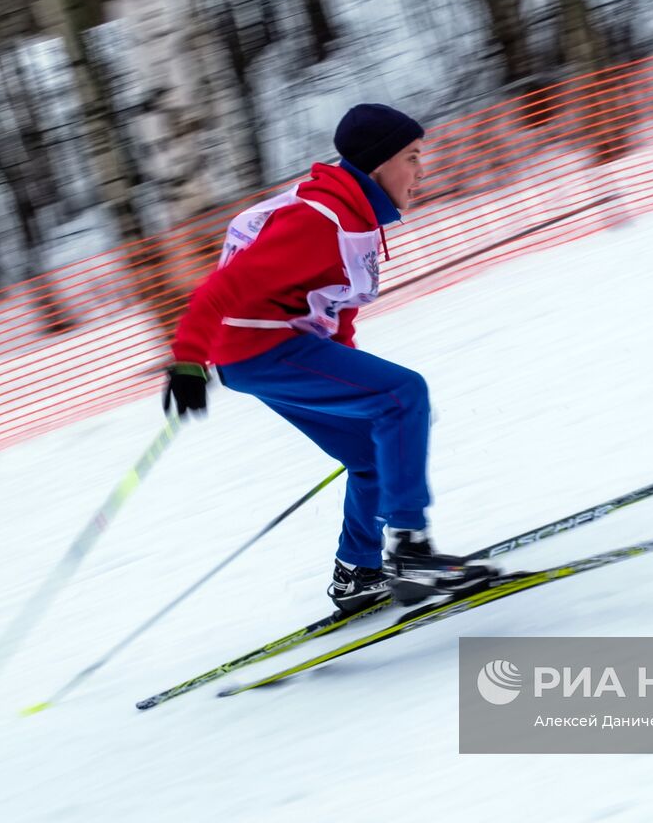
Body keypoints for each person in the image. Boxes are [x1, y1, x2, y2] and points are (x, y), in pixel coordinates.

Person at [162, 104, 492, 613]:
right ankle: (410, 554)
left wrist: (370, 399)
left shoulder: (354, 216)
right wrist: (187, 363)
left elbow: (335, 311)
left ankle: (358, 573)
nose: (422, 169)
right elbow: (215, 294)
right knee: (406, 393)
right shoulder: (317, 220)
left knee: (373, 453)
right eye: (412, 156)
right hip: (260, 347)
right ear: (378, 163)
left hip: (273, 348)